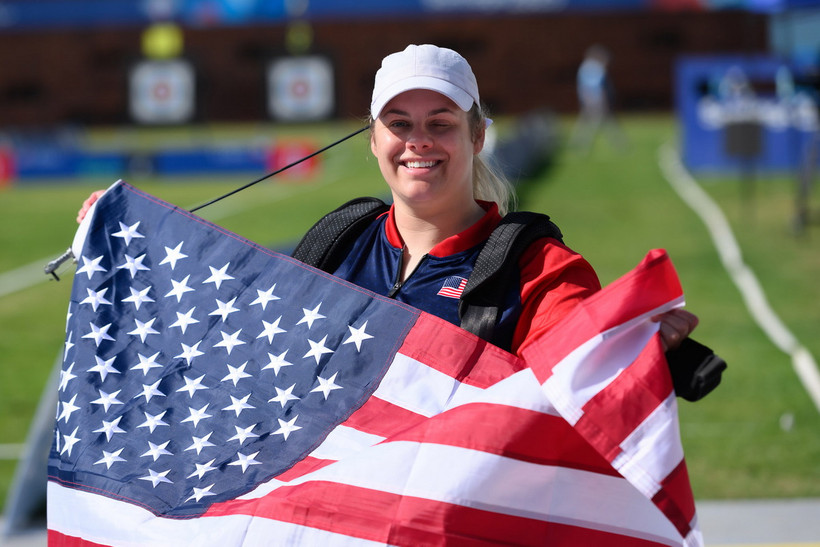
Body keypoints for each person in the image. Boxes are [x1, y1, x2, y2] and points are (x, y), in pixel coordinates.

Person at [77, 43, 697, 358]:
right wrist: (127, 241)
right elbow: (233, 306)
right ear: (372, 138)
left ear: (478, 136)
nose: (418, 143)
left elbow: (578, 350)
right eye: (399, 123)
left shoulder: (534, 267)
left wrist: (635, 346)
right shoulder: (339, 243)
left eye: (441, 123)